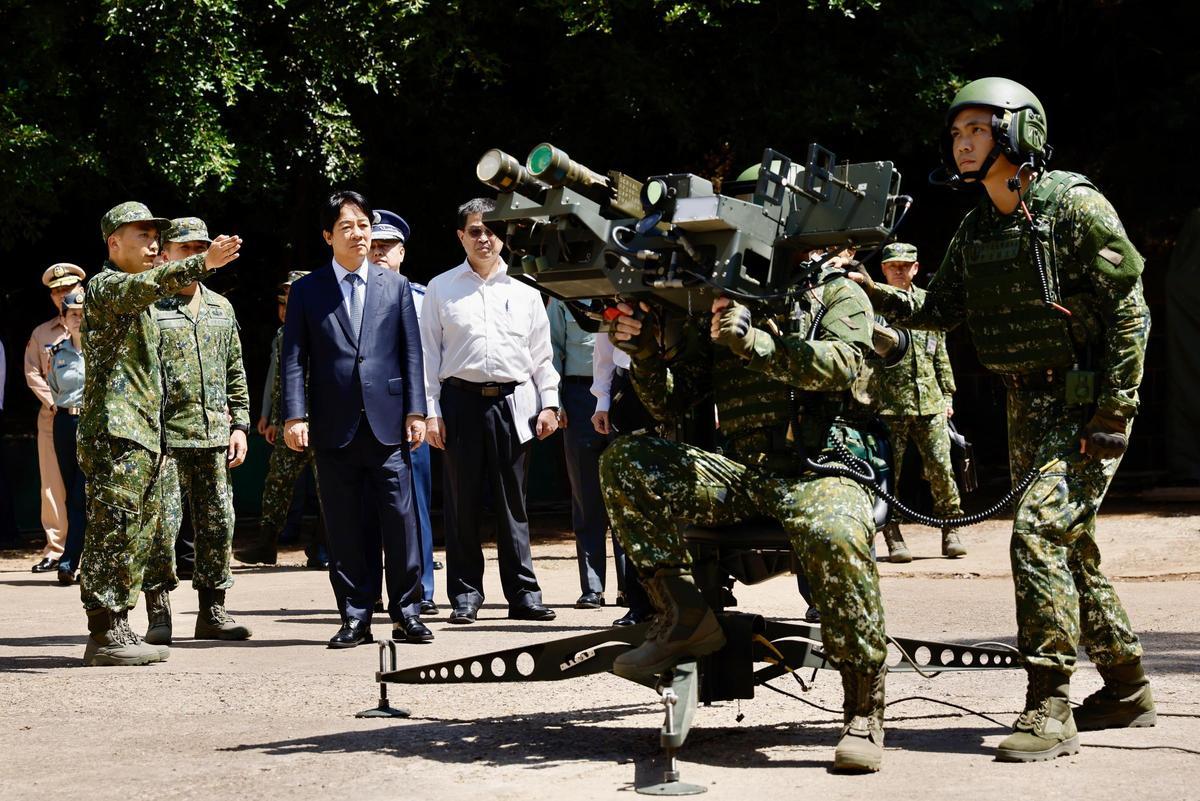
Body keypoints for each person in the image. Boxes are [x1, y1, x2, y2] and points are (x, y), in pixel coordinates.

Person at [849, 77, 1155, 762]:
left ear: (1020, 134)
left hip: (1086, 403)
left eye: (978, 131)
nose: (962, 143)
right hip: (1027, 402)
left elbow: (1131, 309)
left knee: (1038, 532)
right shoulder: (978, 225)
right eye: (957, 134)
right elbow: (935, 311)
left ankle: (1049, 701)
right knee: (1069, 543)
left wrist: (1114, 407)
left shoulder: (1073, 207)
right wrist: (864, 290)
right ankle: (1129, 686)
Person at [601, 256, 892, 772]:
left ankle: (863, 708)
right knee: (627, 462)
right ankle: (682, 613)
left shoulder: (836, 294)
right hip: (743, 473)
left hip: (820, 469)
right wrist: (644, 354)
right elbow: (673, 402)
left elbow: (843, 365)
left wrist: (756, 342)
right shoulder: (714, 305)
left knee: (834, 530)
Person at [79, 201, 240, 666]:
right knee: (113, 529)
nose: (153, 244)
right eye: (143, 236)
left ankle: (120, 628)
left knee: (138, 532)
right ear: (114, 243)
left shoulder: (144, 301)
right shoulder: (106, 285)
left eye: (156, 237)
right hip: (115, 432)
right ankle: (105, 631)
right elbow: (144, 285)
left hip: (145, 433)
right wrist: (199, 263)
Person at [281, 191, 430, 648]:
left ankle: (407, 612)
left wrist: (416, 410)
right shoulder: (308, 290)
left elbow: (410, 351)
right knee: (344, 526)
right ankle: (354, 617)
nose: (358, 233)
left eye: (363, 224)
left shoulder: (395, 286)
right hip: (332, 423)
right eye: (346, 226)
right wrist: (294, 415)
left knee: (400, 520)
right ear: (328, 236)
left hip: (388, 421)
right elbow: (293, 358)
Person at [422, 198, 560, 624]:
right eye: (476, 230)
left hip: (513, 403)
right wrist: (430, 411)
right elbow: (428, 355)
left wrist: (550, 402)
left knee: (512, 503)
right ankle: (465, 595)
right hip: (459, 401)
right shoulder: (441, 288)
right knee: (461, 502)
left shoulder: (526, 291)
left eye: (492, 230)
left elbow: (541, 357)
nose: (485, 238)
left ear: (504, 236)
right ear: (461, 236)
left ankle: (523, 594)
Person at [141, 217, 252, 645]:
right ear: (165, 255)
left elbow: (235, 371)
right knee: (162, 528)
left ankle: (212, 610)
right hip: (166, 437)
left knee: (218, 524)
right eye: (186, 250)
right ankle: (158, 611)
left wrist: (239, 424)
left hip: (213, 436)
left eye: (200, 248)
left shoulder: (221, 307)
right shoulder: (150, 306)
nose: (195, 256)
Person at [869, 242, 966, 562]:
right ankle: (893, 536)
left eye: (904, 265)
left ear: (915, 268)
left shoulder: (927, 304)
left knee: (941, 467)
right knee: (888, 475)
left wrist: (948, 393)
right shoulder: (870, 304)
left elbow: (941, 352)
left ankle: (951, 529)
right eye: (892, 265)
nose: (898, 270)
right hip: (887, 403)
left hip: (930, 401)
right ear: (882, 269)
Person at [368, 209, 438, 615]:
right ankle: (372, 590)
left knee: (416, 505)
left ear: (402, 253)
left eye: (386, 246)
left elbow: (432, 361)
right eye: (373, 245)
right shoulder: (352, 294)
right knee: (368, 507)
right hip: (365, 417)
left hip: (411, 415)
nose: (378, 252)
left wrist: (428, 413)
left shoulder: (423, 299)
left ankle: (421, 588)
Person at [235, 271, 328, 569]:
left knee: (328, 487)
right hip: (289, 423)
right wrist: (268, 415)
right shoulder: (281, 334)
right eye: (282, 301)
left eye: (292, 299)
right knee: (276, 483)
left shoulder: (327, 328)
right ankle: (266, 544)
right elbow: (277, 379)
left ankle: (323, 548)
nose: (286, 307)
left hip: (322, 423)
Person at [548, 297, 615, 610]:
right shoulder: (564, 295)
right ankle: (593, 586)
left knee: (628, 495)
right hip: (579, 395)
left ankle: (635, 588)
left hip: (624, 390)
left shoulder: (622, 287)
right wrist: (555, 402)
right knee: (586, 497)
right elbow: (551, 350)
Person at [25, 262, 85, 572]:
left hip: (88, 417)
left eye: (68, 288)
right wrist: (52, 403)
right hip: (54, 417)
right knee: (53, 485)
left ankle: (83, 550)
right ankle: (56, 548)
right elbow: (33, 372)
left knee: (86, 485)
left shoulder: (96, 327)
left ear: (81, 289)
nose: (63, 293)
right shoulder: (41, 333)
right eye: (57, 291)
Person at [589, 331, 652, 626]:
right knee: (631, 499)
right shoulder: (619, 287)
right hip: (628, 383)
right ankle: (639, 602)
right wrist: (602, 401)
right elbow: (604, 348)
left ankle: (694, 598)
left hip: (676, 379)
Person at [46, 289, 87, 585]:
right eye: (72, 314)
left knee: (81, 494)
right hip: (64, 422)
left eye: (83, 315)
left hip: (91, 424)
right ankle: (71, 559)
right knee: (69, 491)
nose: (78, 320)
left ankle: (69, 560)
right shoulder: (57, 353)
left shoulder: (101, 350)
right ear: (63, 319)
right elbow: (54, 389)